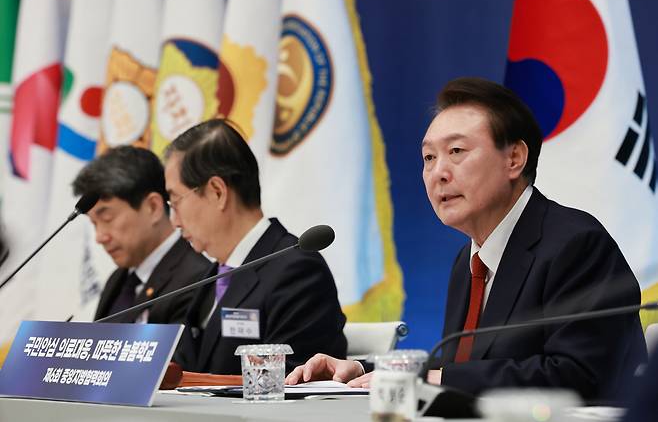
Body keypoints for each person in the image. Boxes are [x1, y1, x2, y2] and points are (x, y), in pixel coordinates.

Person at [286, 77, 647, 401]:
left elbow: (577, 376)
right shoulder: (469, 262)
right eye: (429, 157)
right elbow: (460, 365)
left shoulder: (576, 244)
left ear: (515, 159)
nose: (438, 173)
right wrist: (364, 370)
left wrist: (431, 376)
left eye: (456, 151)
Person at [164, 119, 347, 375]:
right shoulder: (212, 275)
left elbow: (293, 382)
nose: (174, 221)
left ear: (217, 192)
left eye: (175, 202)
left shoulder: (297, 271)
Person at [73, 145, 210, 323]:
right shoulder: (118, 280)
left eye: (107, 218)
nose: (99, 237)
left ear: (153, 207)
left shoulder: (196, 280)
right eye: (94, 223)